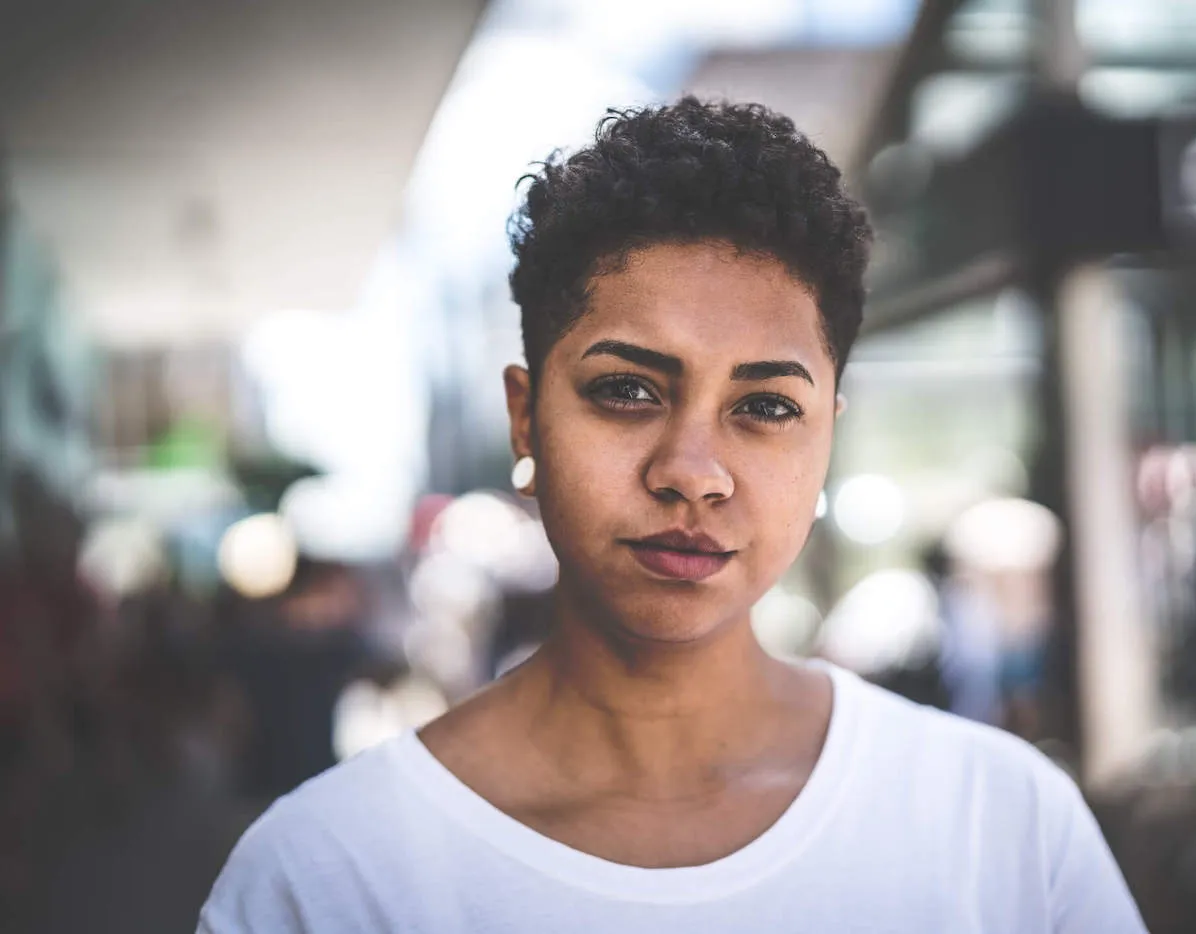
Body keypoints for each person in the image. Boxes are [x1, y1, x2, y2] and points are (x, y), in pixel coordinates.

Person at [197, 98, 1145, 933]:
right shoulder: (329, 878)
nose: (694, 474)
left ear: (826, 439)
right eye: (626, 390)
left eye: (767, 407)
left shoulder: (1003, 826)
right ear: (527, 415)